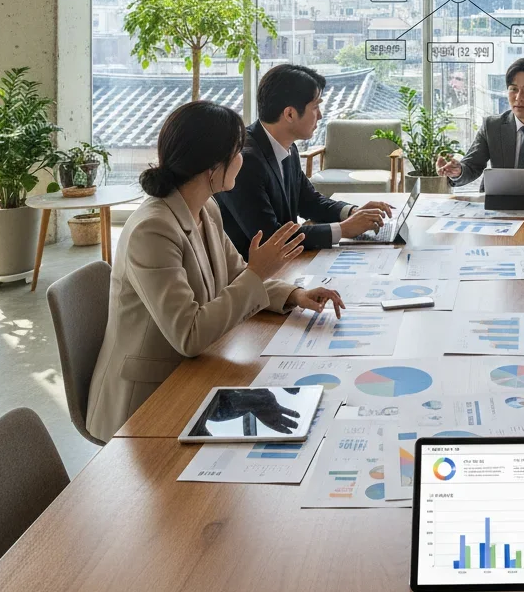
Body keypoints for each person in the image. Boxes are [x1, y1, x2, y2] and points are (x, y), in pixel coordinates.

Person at [86, 101, 345, 444]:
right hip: (145, 402)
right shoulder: (152, 230)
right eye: (238, 151)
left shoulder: (205, 207)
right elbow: (189, 335)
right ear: (212, 167)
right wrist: (257, 273)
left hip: (191, 375)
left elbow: (237, 274)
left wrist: (293, 294)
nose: (243, 159)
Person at [217, 64, 394, 259]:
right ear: (290, 114)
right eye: (316, 107)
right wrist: (343, 230)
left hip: (285, 263)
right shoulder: (245, 160)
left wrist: (352, 212)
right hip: (252, 274)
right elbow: (271, 238)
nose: (320, 115)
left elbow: (309, 202)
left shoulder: (287, 147)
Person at [435, 57, 524, 195]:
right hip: (498, 205)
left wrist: (515, 184)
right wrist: (457, 171)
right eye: (513, 89)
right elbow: (471, 167)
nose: (518, 98)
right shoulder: (492, 126)